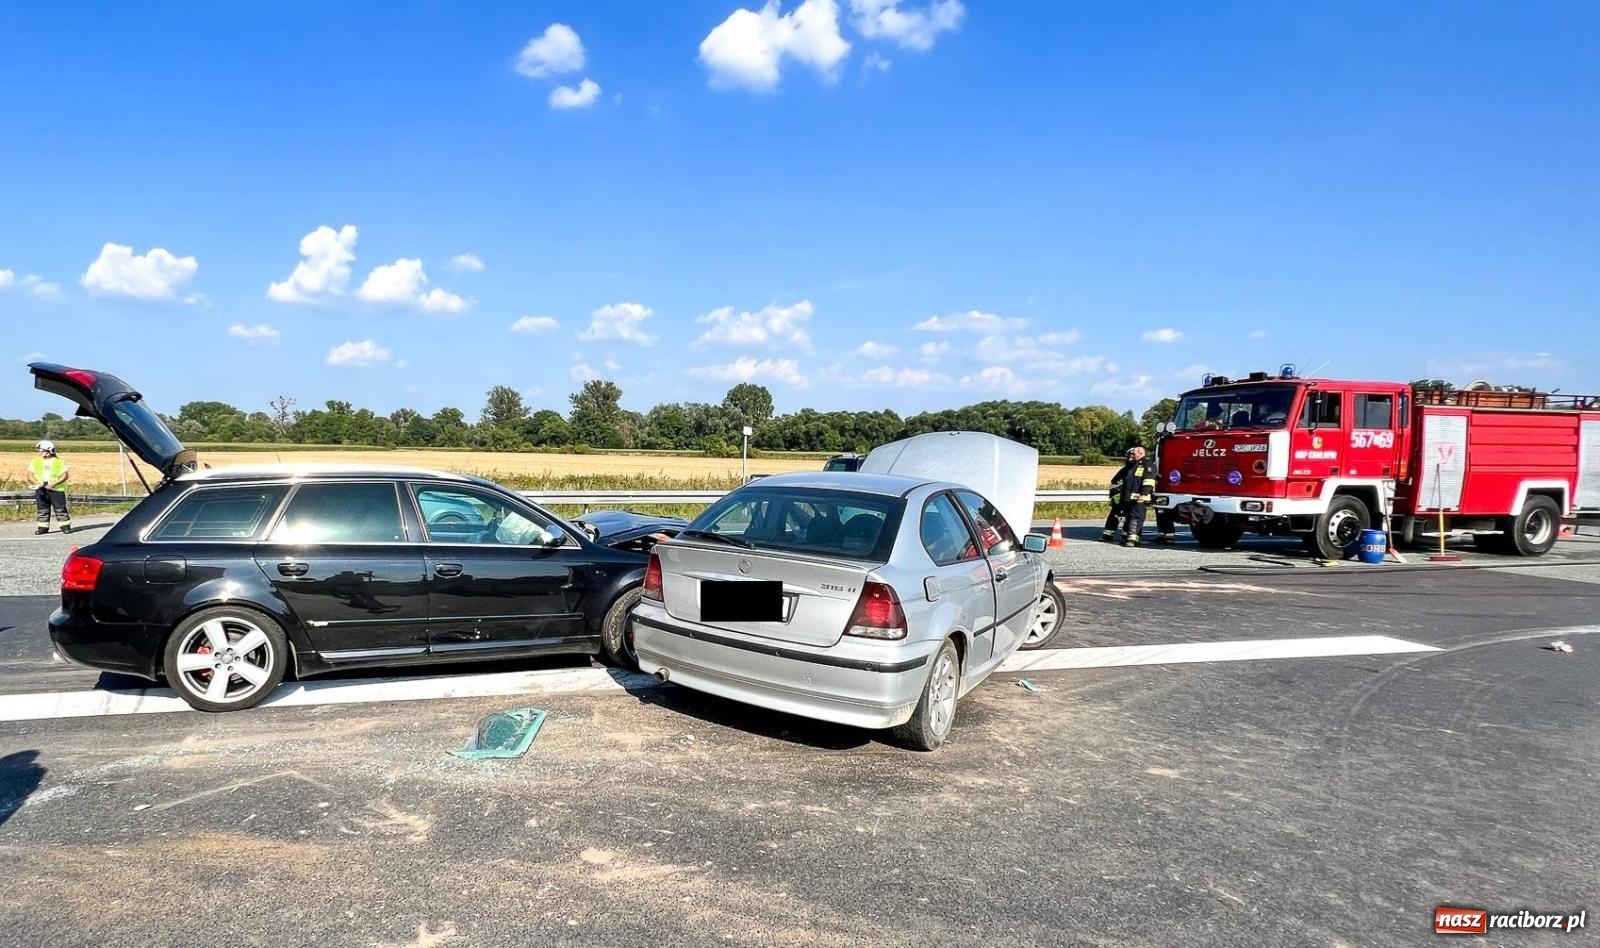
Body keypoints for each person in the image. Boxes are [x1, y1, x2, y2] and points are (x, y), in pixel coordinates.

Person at [1101, 445, 1157, 547]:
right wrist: (1115, 494)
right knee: (1128, 518)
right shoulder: (1130, 467)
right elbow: (1117, 481)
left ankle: (1132, 540)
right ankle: (1126, 538)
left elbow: (1149, 481)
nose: (1130, 456)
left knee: (1136, 518)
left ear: (1140, 453)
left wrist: (1143, 494)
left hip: (1140, 499)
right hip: (1127, 499)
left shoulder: (1148, 465)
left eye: (1133, 454)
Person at [28, 439, 71, 535]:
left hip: (56, 489)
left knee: (60, 509)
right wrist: (36, 483)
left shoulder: (59, 462)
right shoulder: (35, 461)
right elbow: (29, 474)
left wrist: (54, 484)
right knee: (42, 509)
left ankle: (65, 527)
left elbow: (65, 475)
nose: (40, 452)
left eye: (42, 450)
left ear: (49, 451)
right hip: (41, 488)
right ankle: (43, 528)